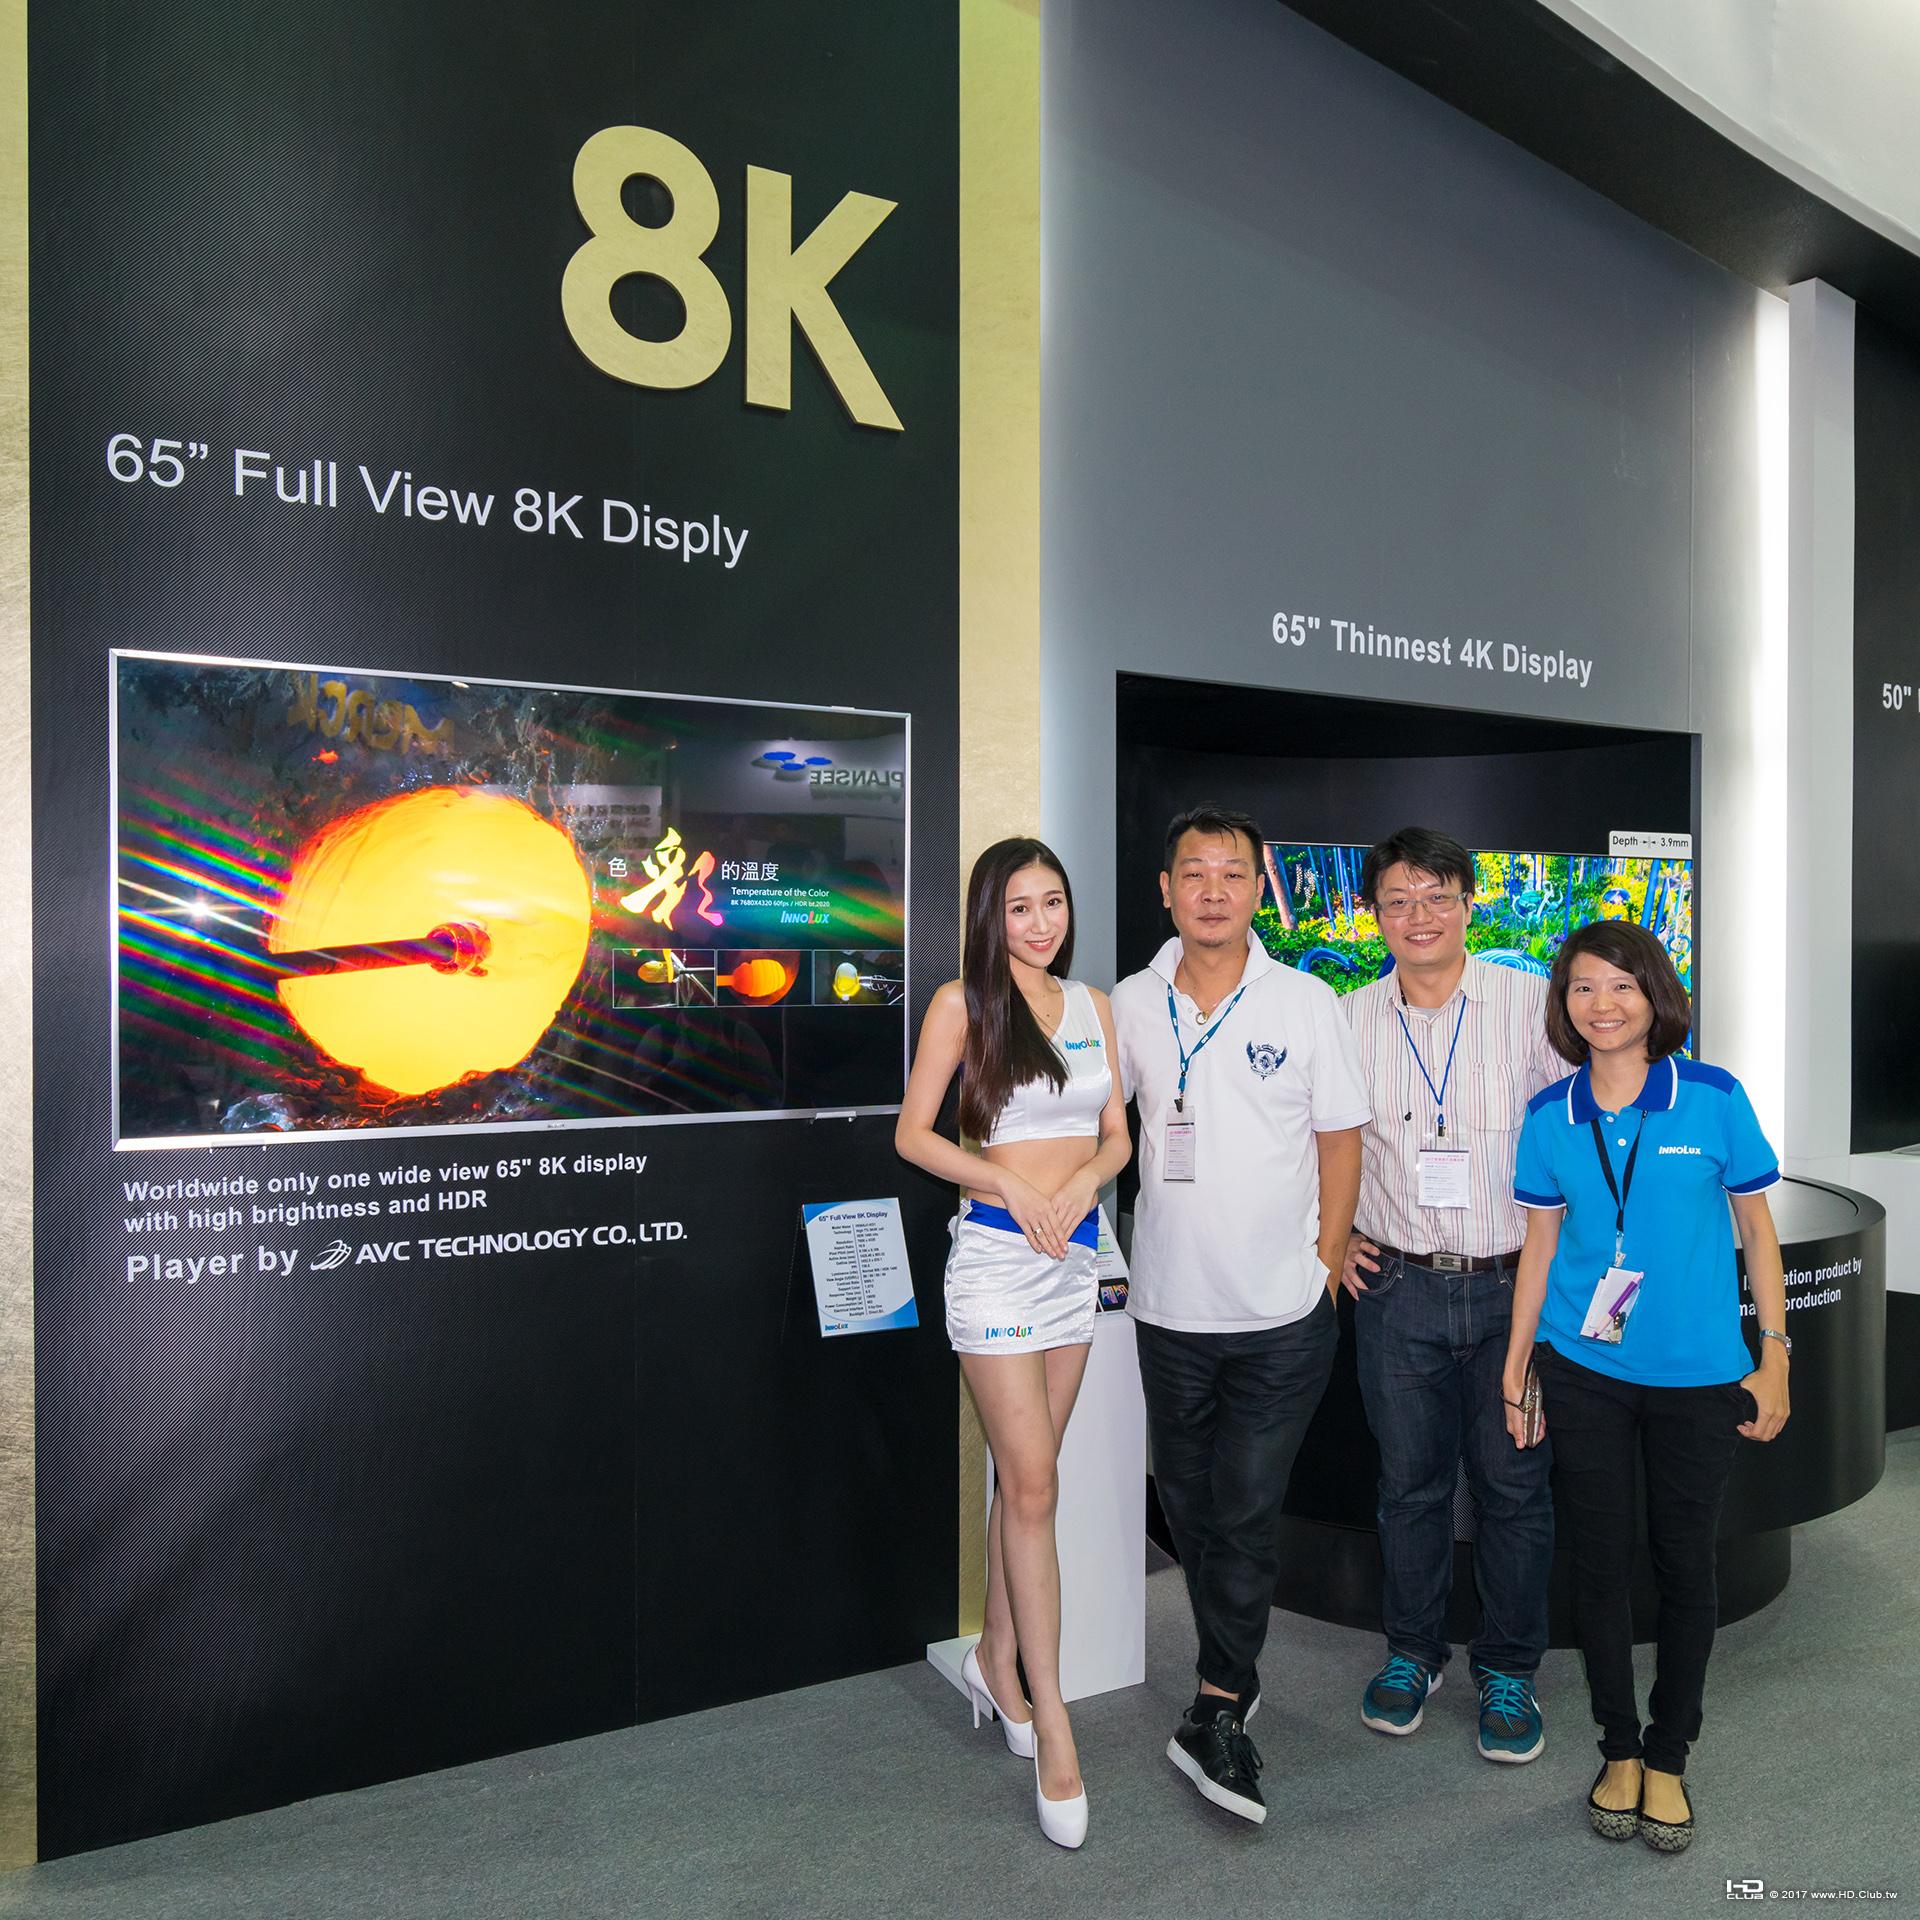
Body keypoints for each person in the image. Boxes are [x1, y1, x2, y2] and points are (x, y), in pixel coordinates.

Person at [1501, 921, 1790, 1854]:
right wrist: (1517, 1362)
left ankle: (1670, 1754)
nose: (1604, 1004)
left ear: (1654, 995)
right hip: (1583, 1369)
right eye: (1584, 987)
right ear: (1564, 1004)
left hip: (1699, 1375)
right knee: (1598, 1561)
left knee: (1683, 1561)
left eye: (1623, 985)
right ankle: (1618, 1748)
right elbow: (1541, 1247)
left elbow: (1757, 1230)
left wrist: (1775, 1354)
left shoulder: (1712, 1096)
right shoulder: (1550, 1114)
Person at [1111, 805, 1368, 1826]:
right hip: (1168, 1306)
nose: (1213, 890)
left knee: (1248, 1508)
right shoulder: (1130, 1002)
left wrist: (1324, 1263)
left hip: (1281, 1315)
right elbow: (1102, 1131)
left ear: (1260, 889)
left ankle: (1216, 1707)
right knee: (1189, 1506)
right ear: (1165, 890)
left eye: (1232, 873)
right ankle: (1233, 1668)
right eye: (1194, 872)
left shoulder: (1306, 1000)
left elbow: (1341, 1140)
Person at [895, 836, 1131, 1850]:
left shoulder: (1094, 1007)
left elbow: (1117, 1134)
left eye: (1054, 903)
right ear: (991, 916)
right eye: (1020, 907)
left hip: (1074, 1263)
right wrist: (1006, 1181)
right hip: (997, 1262)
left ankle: (996, 1658)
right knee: (1033, 1487)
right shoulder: (964, 1003)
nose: (1040, 924)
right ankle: (1053, 1716)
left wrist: (1083, 1182)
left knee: (1024, 1486)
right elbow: (913, 1135)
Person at [1339, 829, 1563, 1762]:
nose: (1418, 916)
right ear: (1374, 915)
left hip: (1514, 1290)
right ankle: (1413, 1654)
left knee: (1514, 1487)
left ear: (1470, 903)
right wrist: (1332, 1233)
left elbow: (1577, 1129)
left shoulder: (1528, 1004)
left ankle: (1508, 1668)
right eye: (1397, 900)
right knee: (1410, 1487)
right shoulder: (1348, 1019)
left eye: (1436, 896)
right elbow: (1314, 1142)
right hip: (1397, 1291)